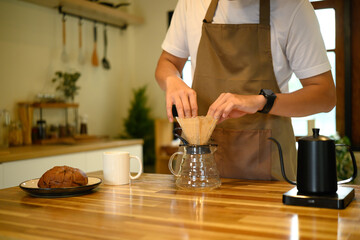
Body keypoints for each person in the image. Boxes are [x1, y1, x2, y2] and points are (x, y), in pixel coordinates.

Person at [155, 0, 336, 180]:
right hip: (198, 168)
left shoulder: (294, 8)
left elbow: (325, 95)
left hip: (268, 166)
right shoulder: (191, 4)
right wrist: (172, 79)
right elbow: (167, 62)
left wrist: (262, 101)